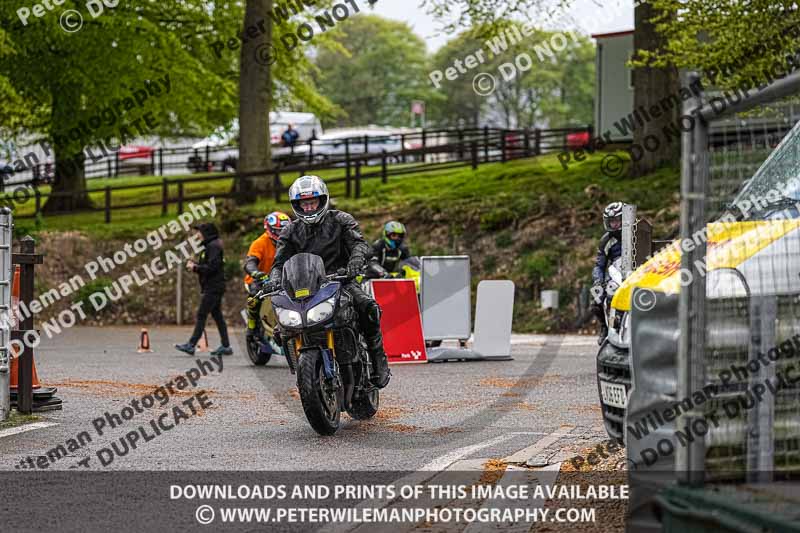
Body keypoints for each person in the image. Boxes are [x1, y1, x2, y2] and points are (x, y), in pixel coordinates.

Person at [266, 175, 391, 389]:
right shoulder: (290, 231)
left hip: (341, 280)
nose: (309, 208)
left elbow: (359, 244)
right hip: (305, 288)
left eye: (312, 202)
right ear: (296, 206)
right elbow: (279, 263)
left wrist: (354, 264)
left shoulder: (341, 220)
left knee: (368, 307)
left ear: (322, 200)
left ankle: (378, 359)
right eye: (304, 204)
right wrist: (274, 279)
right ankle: (299, 366)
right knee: (281, 326)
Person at [175, 222, 232, 356]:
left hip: (213, 287)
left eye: (199, 232)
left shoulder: (213, 246)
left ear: (207, 233)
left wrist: (195, 268)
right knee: (217, 316)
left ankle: (191, 345)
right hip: (213, 286)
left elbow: (213, 267)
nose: (198, 235)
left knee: (202, 314)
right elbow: (210, 265)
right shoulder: (211, 246)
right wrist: (196, 265)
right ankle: (226, 346)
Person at [243, 211, 291, 342]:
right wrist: (257, 273)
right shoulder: (260, 243)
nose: (281, 234)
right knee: (254, 296)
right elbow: (250, 262)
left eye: (284, 230)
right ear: (268, 229)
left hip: (284, 278)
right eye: (277, 230)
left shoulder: (291, 242)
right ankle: (251, 325)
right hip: (261, 279)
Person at [591, 202, 623, 345]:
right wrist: (598, 281)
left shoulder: (638, 233)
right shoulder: (606, 240)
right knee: (597, 295)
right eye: (611, 222)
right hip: (615, 272)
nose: (614, 225)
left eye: (616, 221)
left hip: (637, 271)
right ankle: (606, 326)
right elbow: (599, 265)